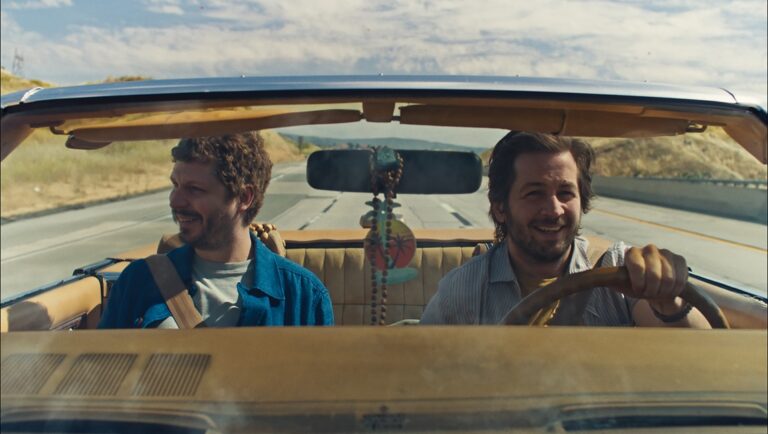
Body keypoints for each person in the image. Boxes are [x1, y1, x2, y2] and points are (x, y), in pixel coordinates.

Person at [421, 131, 709, 327]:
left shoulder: (620, 270)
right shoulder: (463, 290)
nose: (554, 210)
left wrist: (667, 300)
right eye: (534, 193)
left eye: (566, 193)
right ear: (500, 208)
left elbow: (699, 355)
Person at [99, 132, 333, 328]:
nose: (175, 201)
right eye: (175, 185)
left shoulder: (304, 295)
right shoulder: (139, 280)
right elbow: (103, 368)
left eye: (194, 189)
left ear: (244, 197)